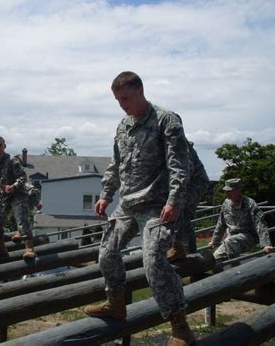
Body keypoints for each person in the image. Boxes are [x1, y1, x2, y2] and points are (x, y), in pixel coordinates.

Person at [83, 71, 194, 346]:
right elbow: (116, 164)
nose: (122, 105)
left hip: (157, 204)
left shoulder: (166, 120)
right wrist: (105, 195)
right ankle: (116, 303)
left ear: (140, 91)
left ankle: (180, 327)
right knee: (106, 254)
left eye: (126, 98)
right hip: (128, 202)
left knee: (154, 259)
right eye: (118, 100)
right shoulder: (123, 126)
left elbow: (180, 164)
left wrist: (174, 201)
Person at [0, 136, 36, 259]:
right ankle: (0, 247)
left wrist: (13, 186)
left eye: (0, 145)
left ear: (4, 146)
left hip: (18, 193)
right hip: (5, 196)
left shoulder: (13, 161)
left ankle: (29, 248)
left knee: (22, 218)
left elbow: (22, 177)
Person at [208, 178, 274, 262]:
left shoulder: (250, 204)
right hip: (232, 238)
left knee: (229, 241)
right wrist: (214, 241)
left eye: (230, 191)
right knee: (215, 259)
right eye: (226, 191)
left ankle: (236, 271)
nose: (227, 193)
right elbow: (221, 223)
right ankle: (219, 274)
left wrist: (266, 244)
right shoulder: (226, 204)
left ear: (238, 190)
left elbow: (260, 224)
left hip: (248, 237)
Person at [167, 141, 210, 261]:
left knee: (177, 208)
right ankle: (189, 252)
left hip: (195, 183)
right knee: (185, 219)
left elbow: (185, 171)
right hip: (189, 184)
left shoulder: (179, 144)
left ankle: (178, 248)